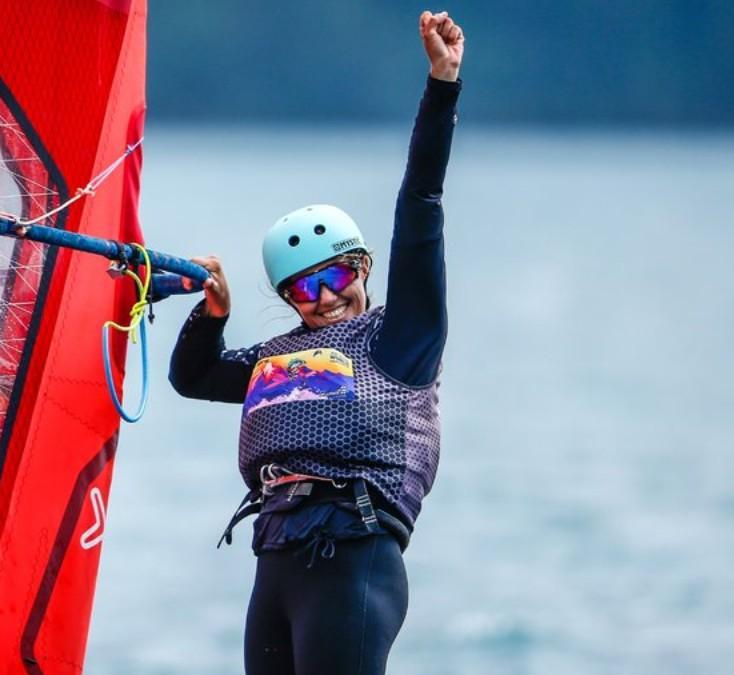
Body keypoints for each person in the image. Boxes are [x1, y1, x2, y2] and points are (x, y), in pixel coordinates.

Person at [168, 10, 464, 675]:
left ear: (362, 268)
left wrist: (441, 87)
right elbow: (192, 375)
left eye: (337, 275)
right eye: (304, 289)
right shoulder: (275, 359)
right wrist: (211, 312)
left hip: (353, 556)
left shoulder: (400, 338)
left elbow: (420, 207)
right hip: (274, 561)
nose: (325, 297)